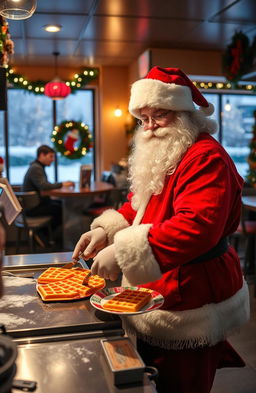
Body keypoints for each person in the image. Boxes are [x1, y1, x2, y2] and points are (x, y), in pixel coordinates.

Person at [72, 67, 250, 393]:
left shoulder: (205, 157)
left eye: (160, 115)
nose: (150, 127)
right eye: (144, 118)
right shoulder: (168, 152)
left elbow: (197, 227)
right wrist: (107, 230)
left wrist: (123, 253)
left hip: (193, 289)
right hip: (158, 282)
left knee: (184, 382)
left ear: (184, 114)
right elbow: (141, 203)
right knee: (153, 376)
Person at [22, 145, 74, 234]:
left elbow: (44, 185)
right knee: (63, 209)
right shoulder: (36, 168)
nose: (53, 159)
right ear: (42, 155)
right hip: (33, 208)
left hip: (35, 204)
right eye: (51, 156)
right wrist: (62, 184)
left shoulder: (37, 167)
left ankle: (48, 235)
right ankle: (44, 234)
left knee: (62, 205)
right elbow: (43, 186)